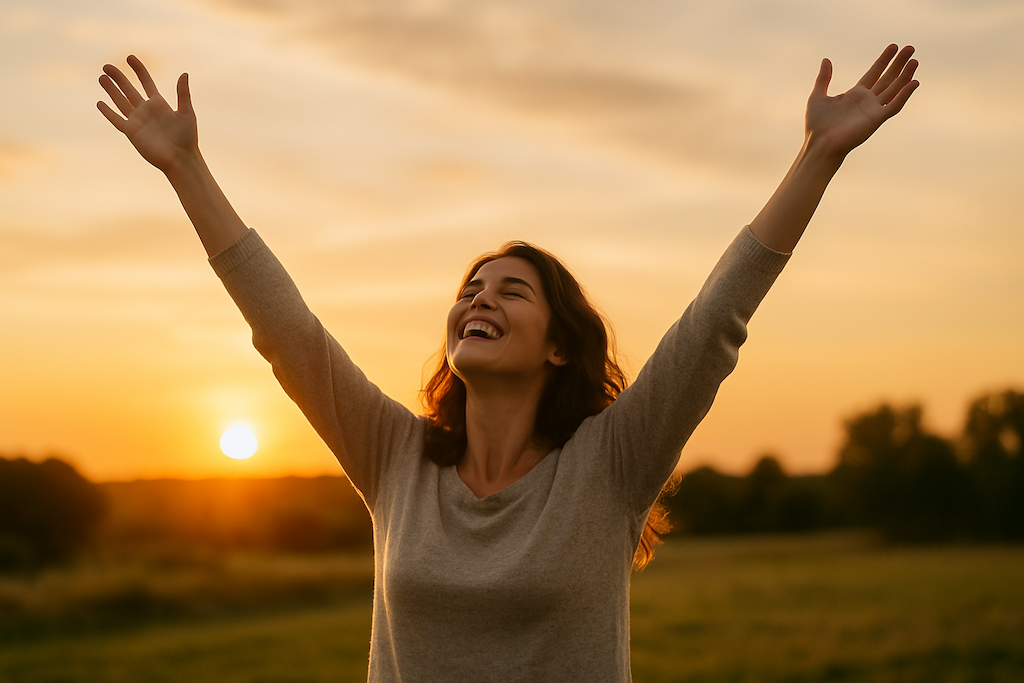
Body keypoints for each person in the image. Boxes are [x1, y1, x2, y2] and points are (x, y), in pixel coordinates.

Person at [97, 45, 919, 682]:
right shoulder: (396, 459)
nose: (479, 299)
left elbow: (714, 323)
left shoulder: (610, 464)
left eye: (511, 291)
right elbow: (289, 333)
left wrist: (819, 154)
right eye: (470, 288)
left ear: (559, 345)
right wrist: (186, 167)